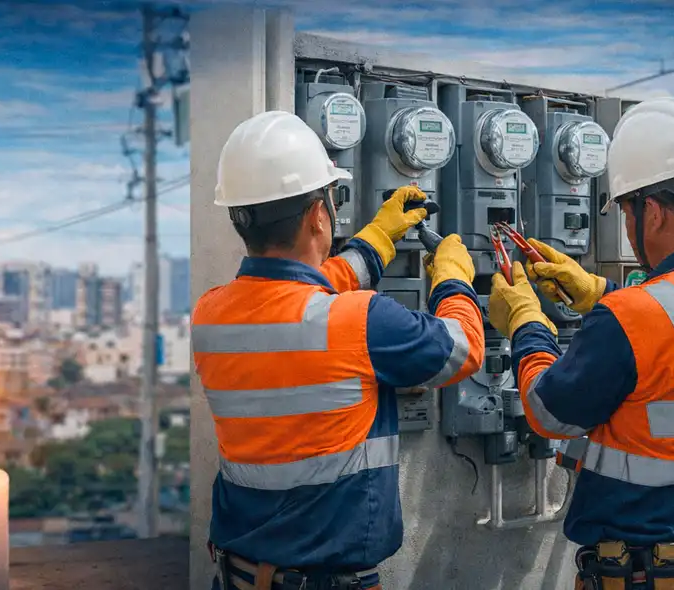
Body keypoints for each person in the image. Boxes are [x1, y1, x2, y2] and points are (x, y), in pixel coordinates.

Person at [488, 96, 674, 589]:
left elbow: (547, 409)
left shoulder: (636, 318)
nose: (626, 226)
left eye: (625, 210)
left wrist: (524, 321)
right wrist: (601, 295)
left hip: (648, 576)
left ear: (654, 211)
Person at [191, 110, 486, 590]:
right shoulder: (361, 321)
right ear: (318, 215)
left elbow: (293, 295)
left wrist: (376, 241)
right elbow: (464, 348)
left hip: (237, 576)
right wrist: (453, 277)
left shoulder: (210, 315)